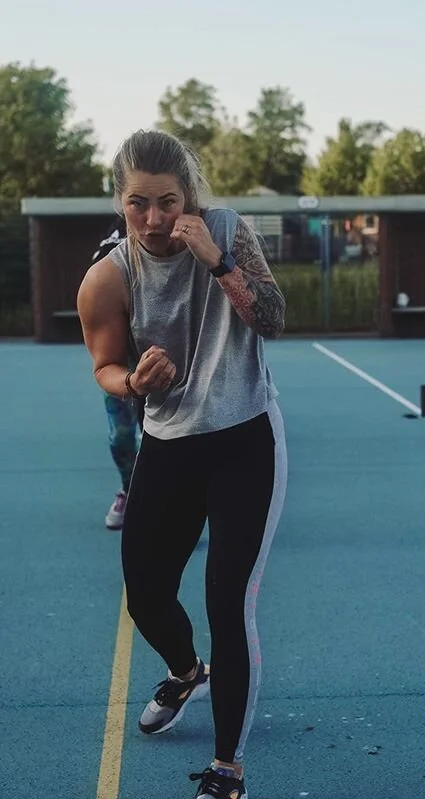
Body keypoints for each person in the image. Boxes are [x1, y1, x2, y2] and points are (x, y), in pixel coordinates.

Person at [77, 129, 288, 799]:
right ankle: (185, 668)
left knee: (228, 602)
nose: (154, 219)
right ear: (119, 200)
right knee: (144, 590)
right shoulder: (108, 276)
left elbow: (275, 319)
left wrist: (219, 261)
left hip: (244, 436)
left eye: (167, 201)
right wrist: (133, 384)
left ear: (188, 197)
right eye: (137, 203)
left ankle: (228, 769)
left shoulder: (227, 230)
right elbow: (104, 367)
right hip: (168, 442)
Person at [89, 216, 142, 530]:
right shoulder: (110, 241)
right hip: (120, 361)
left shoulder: (176, 230)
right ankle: (129, 488)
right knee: (121, 436)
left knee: (170, 436)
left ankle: (175, 504)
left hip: (169, 356)